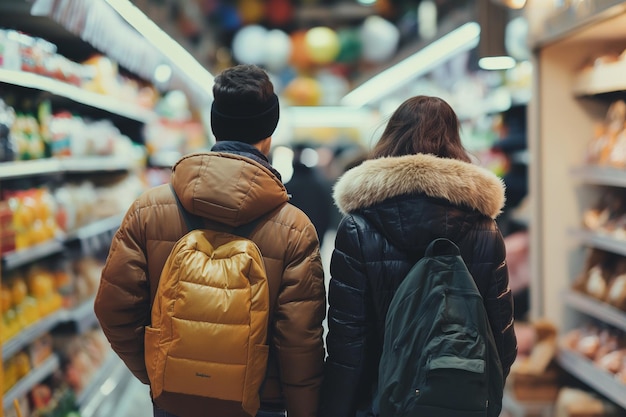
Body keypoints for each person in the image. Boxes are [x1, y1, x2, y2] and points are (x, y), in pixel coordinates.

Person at [94, 64, 326, 417]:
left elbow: (114, 308)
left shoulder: (149, 209)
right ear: (270, 130)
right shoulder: (295, 229)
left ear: (214, 125)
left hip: (174, 400)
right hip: (259, 405)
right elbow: (299, 342)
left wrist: (160, 371)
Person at [319, 95, 518, 417]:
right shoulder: (484, 228)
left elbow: (347, 341)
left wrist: (336, 407)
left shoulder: (358, 227)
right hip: (457, 397)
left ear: (391, 137)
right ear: (455, 142)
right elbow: (501, 336)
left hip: (378, 399)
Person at [284, 143, 333, 243]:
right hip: (315, 236)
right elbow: (325, 214)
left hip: (292, 239)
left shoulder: (287, 187)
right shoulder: (319, 186)